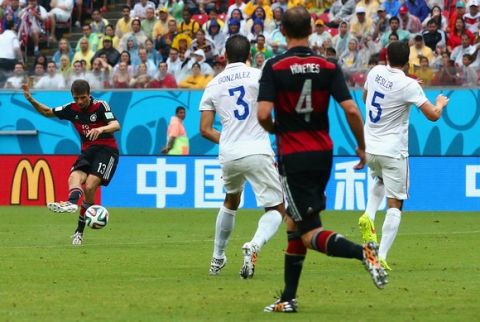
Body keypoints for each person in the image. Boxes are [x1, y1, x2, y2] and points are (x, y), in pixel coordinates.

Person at [256, 6, 387, 313]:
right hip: (323, 153)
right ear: (312, 29)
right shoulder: (327, 66)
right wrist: (361, 146)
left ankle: (363, 252)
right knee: (294, 222)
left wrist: (277, 128)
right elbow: (352, 111)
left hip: (294, 154)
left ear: (284, 32)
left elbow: (262, 114)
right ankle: (288, 298)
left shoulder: (274, 67)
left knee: (308, 230)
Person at [199, 34, 285, 279]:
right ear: (249, 55)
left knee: (231, 200)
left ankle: (217, 257)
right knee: (277, 208)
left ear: (224, 55)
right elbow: (272, 110)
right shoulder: (259, 76)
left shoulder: (213, 84)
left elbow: (204, 129)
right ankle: (254, 245)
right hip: (257, 149)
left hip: (229, 153)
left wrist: (227, 140)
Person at [358, 41, 449, 271]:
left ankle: (368, 215)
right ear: (408, 61)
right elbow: (433, 116)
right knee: (396, 203)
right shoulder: (408, 85)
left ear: (386, 57)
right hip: (393, 151)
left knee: (379, 179)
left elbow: (365, 97)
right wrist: (440, 103)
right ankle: (381, 256)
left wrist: (407, 87)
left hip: (370, 147)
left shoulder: (375, 71)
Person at [21, 80, 120, 246]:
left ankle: (79, 232)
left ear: (89, 94)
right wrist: (30, 99)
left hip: (107, 150)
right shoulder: (70, 108)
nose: (79, 102)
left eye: (82, 98)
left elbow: (116, 124)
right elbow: (47, 112)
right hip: (88, 150)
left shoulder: (101, 106)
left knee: (89, 187)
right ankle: (72, 203)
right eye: (76, 98)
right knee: (74, 175)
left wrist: (100, 129)